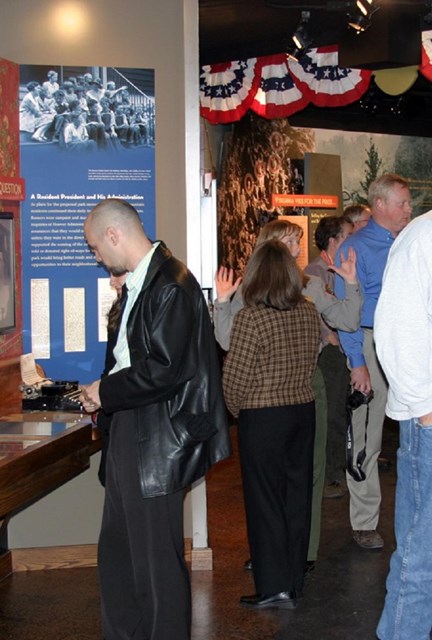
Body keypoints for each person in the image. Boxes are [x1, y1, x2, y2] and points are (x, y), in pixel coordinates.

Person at [79, 198, 231, 640]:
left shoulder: (172, 284)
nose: (96, 258)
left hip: (157, 438)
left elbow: (165, 370)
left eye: (94, 248)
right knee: (120, 555)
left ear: (113, 235)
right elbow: (133, 358)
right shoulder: (143, 282)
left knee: (156, 565)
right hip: (133, 429)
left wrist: (105, 391)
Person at [215, 219, 361, 572]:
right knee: (269, 481)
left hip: (308, 388)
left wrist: (351, 283)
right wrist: (222, 302)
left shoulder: (309, 286)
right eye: (291, 243)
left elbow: (348, 320)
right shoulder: (248, 289)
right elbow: (227, 341)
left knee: (306, 476)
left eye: (297, 243)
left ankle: (302, 553)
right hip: (267, 394)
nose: (298, 251)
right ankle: (271, 554)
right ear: (272, 246)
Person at [222, 240, 321, 610]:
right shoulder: (308, 312)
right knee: (297, 498)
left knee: (264, 502)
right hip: (302, 411)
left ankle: (272, 586)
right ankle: (293, 580)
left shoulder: (251, 318)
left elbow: (234, 377)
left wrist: (238, 412)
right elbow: (312, 360)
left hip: (263, 417)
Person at [334, 173, 412, 550]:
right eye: (403, 204)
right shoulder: (354, 249)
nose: (409, 210)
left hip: (409, 344)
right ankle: (364, 521)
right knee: (367, 437)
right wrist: (356, 361)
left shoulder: (409, 243)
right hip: (369, 345)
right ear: (380, 205)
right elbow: (347, 311)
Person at [374, 210, 432, 640]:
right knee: (420, 559)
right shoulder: (422, 238)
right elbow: (395, 332)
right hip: (429, 422)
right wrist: (427, 410)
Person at [304, 216, 353, 500]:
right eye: (347, 235)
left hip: (342, 348)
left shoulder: (337, 269)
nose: (352, 240)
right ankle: (332, 476)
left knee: (340, 412)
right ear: (333, 240)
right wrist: (328, 336)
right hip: (329, 353)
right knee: (332, 414)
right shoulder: (315, 271)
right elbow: (317, 310)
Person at [94, 272, 126, 486]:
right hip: (113, 412)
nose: (111, 281)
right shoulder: (119, 310)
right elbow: (110, 366)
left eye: (117, 275)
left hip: (124, 415)